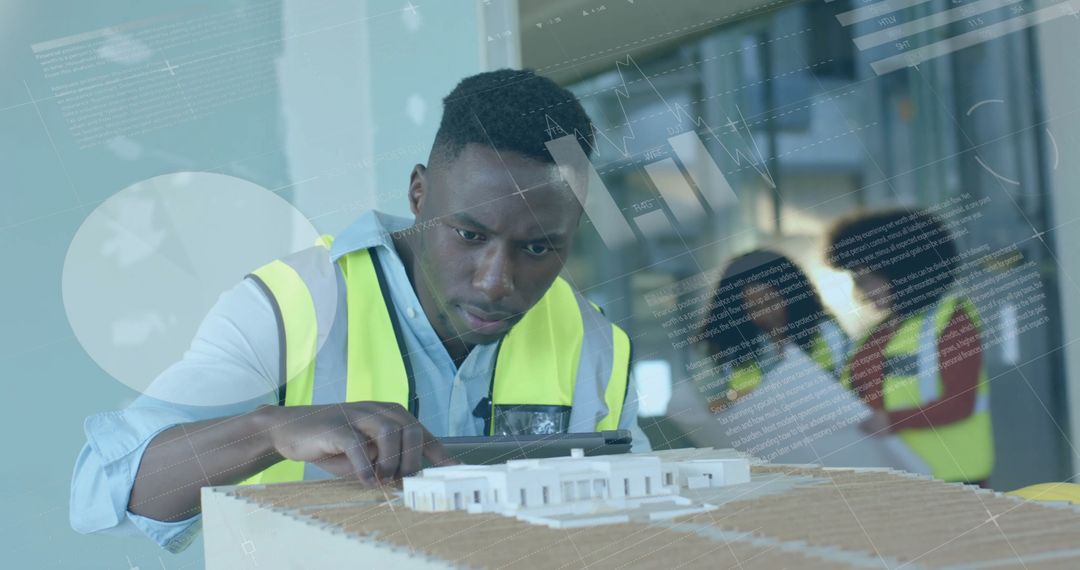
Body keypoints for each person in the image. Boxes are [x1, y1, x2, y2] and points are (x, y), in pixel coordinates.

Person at [69, 69, 650, 553]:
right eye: (470, 236)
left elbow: (633, 527)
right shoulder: (290, 306)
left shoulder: (596, 344)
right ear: (418, 194)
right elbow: (106, 490)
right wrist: (268, 431)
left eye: (537, 246)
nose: (497, 281)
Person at [826, 208, 993, 485]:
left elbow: (960, 402)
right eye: (856, 278)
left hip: (952, 478)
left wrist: (891, 420)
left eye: (866, 277)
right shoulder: (876, 334)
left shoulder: (952, 320)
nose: (860, 291)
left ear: (902, 271)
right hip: (893, 472)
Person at [691, 250, 850, 413]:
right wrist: (736, 399)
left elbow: (852, 390)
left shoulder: (827, 333)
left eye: (772, 302)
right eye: (754, 308)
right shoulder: (726, 352)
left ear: (792, 296)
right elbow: (708, 409)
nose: (766, 314)